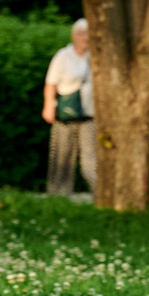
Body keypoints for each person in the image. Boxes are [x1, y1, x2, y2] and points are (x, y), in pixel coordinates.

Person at [40, 19, 96, 198]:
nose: (85, 38)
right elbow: (50, 83)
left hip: (89, 114)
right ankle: (58, 196)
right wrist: (48, 106)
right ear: (73, 36)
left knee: (90, 159)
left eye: (88, 33)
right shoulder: (63, 56)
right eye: (81, 33)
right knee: (62, 156)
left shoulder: (96, 56)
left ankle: (100, 194)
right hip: (66, 114)